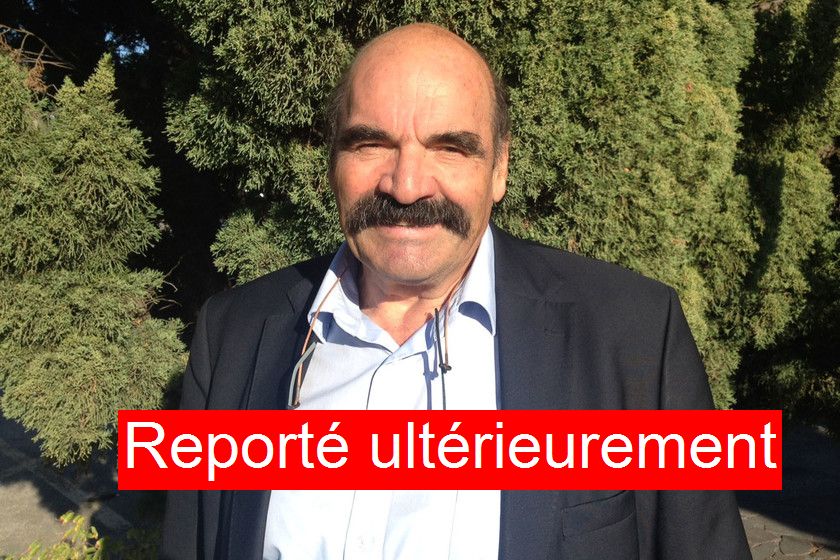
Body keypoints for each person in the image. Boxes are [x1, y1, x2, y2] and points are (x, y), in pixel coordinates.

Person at [161, 23, 750, 560]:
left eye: (450, 147)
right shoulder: (234, 334)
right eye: (371, 143)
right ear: (333, 161)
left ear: (499, 168)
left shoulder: (635, 335)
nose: (407, 186)